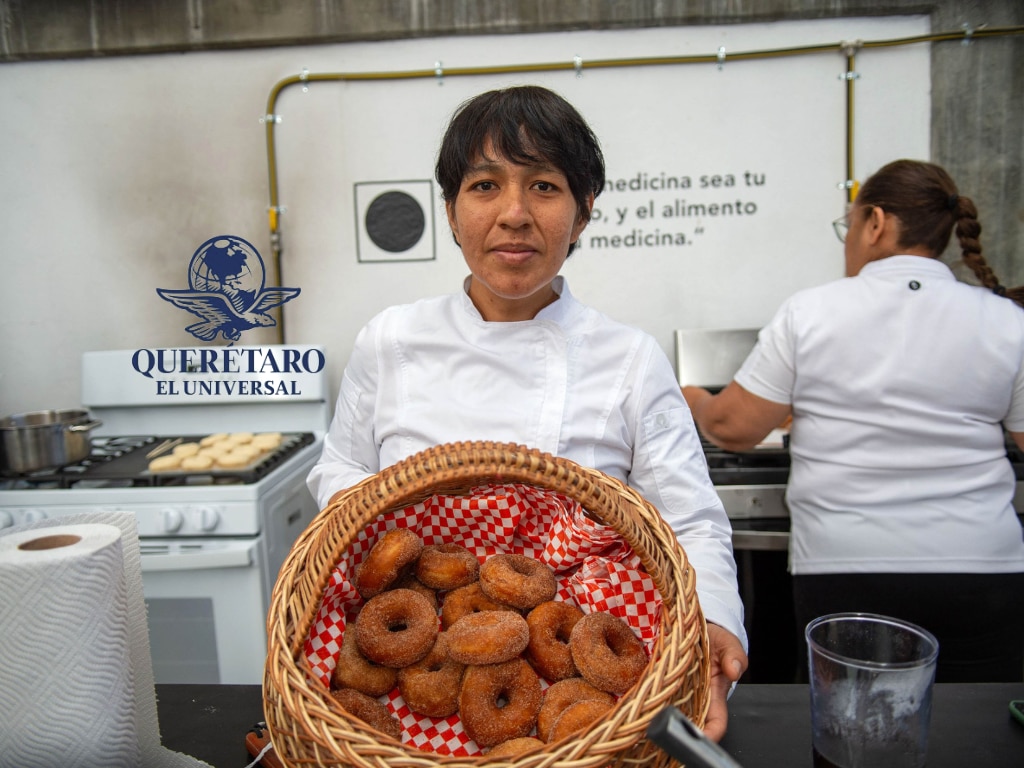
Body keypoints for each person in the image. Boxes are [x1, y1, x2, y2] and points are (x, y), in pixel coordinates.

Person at [308, 84, 748, 739]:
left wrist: (714, 620)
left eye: (543, 186)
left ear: (584, 212)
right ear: (452, 212)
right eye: (485, 186)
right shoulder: (390, 340)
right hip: (403, 710)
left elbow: (688, 520)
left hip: (580, 707)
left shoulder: (629, 358)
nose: (514, 214)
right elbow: (341, 463)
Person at [683, 159, 1024, 682]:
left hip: (847, 572)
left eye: (850, 224)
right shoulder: (1006, 320)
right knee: (977, 730)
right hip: (984, 572)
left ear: (876, 222)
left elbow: (734, 427)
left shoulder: (812, 312)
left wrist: (694, 398)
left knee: (851, 734)